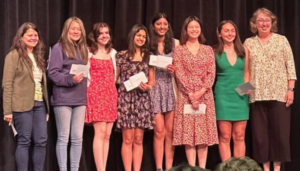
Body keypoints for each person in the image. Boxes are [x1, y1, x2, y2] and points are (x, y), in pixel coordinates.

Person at [244, 8, 297, 171]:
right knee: (260, 136)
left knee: (279, 135)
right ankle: (265, 168)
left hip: (279, 94)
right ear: (254, 23)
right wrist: (244, 91)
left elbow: (291, 67)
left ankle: (277, 168)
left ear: (272, 22)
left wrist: (291, 89)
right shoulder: (249, 42)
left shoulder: (282, 40)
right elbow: (246, 70)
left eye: (267, 20)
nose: (264, 23)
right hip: (257, 95)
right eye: (260, 20)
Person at [172, 16, 218, 169]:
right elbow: (179, 73)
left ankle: (202, 168)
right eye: (191, 27)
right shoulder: (179, 50)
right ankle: (192, 168)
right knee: (189, 136)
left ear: (200, 30)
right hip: (186, 97)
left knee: (202, 136)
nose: (194, 29)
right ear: (186, 30)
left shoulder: (208, 49)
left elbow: (211, 73)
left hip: (205, 96)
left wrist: (200, 92)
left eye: (196, 27)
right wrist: (191, 94)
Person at [2, 22, 49, 171]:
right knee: (24, 141)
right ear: (21, 37)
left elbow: (41, 83)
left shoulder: (38, 56)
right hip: (21, 104)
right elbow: (7, 84)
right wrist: (7, 110)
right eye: (30, 35)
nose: (34, 38)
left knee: (41, 141)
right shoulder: (13, 55)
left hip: (39, 104)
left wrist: (46, 108)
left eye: (35, 35)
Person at [48, 17, 88, 171]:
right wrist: (71, 79)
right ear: (67, 30)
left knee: (78, 138)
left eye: (78, 29)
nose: (76, 31)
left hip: (80, 98)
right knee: (64, 137)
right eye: (73, 28)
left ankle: (74, 168)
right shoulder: (59, 48)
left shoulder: (83, 49)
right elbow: (53, 73)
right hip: (63, 98)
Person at [115, 24, 155, 171]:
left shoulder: (148, 56)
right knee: (127, 139)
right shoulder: (121, 55)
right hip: (126, 99)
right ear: (132, 36)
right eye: (138, 35)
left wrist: (148, 86)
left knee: (138, 140)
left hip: (142, 100)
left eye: (144, 36)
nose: (141, 39)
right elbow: (115, 78)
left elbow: (152, 81)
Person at [213, 20, 250, 162]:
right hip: (222, 96)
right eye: (226, 31)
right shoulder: (215, 51)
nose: (230, 33)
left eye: (232, 30)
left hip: (240, 97)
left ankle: (239, 167)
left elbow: (247, 74)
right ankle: (227, 167)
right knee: (225, 136)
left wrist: (247, 89)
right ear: (220, 34)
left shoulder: (244, 50)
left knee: (239, 135)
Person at [149, 13, 180, 171]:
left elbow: (182, 68)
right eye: (159, 24)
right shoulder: (148, 43)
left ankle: (169, 168)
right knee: (159, 131)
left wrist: (175, 69)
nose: (162, 27)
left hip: (170, 88)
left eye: (164, 24)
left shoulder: (176, 44)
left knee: (170, 132)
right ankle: (159, 168)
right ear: (153, 26)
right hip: (155, 89)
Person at [85, 22, 117, 171]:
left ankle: (103, 167)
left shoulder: (113, 53)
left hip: (110, 94)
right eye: (101, 33)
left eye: (107, 33)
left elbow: (116, 75)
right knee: (100, 132)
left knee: (108, 134)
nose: (105, 35)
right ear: (95, 36)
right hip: (95, 94)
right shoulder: (89, 52)